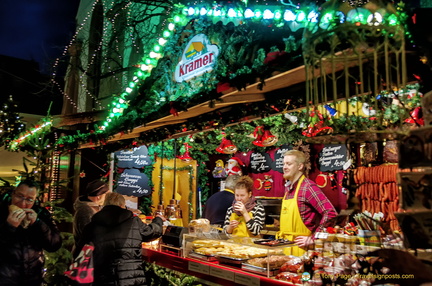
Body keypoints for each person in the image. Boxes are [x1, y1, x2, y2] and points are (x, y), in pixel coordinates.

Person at [75, 192, 164, 286]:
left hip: (103, 278)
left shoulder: (91, 226)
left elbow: (80, 251)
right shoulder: (134, 222)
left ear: (105, 205)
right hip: (132, 278)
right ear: (122, 205)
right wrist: (158, 220)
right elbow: (152, 232)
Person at [0, 180, 62, 286]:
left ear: (35, 200)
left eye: (29, 200)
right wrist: (9, 227)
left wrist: (38, 223)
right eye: (19, 196)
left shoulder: (41, 214)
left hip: (33, 279)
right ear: (13, 193)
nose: (23, 203)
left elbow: (54, 245)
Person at [277, 150, 337, 256]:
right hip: (286, 247)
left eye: (289, 164)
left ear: (300, 166)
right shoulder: (288, 189)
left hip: (302, 250)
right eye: (284, 164)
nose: (284, 167)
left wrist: (314, 238)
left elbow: (331, 213)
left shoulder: (308, 187)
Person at [72, 179, 110, 252]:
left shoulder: (94, 208)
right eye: (107, 194)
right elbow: (91, 237)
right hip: (86, 257)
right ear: (99, 196)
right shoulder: (86, 211)